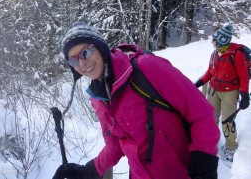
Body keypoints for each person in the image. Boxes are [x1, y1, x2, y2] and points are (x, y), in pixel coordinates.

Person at [53, 21, 220, 179]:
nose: (82, 63)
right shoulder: (99, 99)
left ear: (100, 48)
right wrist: (88, 171)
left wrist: (204, 165)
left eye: (85, 52)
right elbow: (116, 145)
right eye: (74, 60)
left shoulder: (147, 68)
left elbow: (201, 113)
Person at [195, 24, 250, 163]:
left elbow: (243, 76)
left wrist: (244, 95)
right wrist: (199, 82)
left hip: (229, 92)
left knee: (227, 120)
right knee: (211, 118)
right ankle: (211, 143)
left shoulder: (236, 55)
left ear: (222, 39)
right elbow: (209, 72)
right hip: (213, 90)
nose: (212, 41)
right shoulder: (214, 53)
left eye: (214, 39)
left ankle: (231, 147)